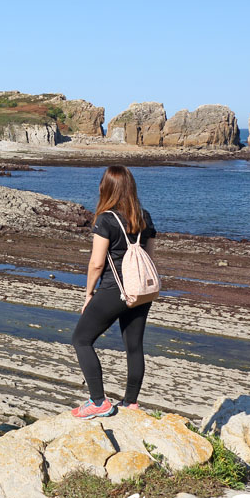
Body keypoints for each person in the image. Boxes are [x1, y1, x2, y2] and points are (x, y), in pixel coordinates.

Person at [70, 165, 156, 419]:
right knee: (134, 346)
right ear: (131, 187)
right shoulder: (145, 217)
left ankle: (98, 401)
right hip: (140, 290)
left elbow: (96, 263)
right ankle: (130, 403)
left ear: (106, 188)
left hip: (114, 290)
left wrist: (88, 295)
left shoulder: (105, 219)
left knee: (81, 339)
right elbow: (149, 257)